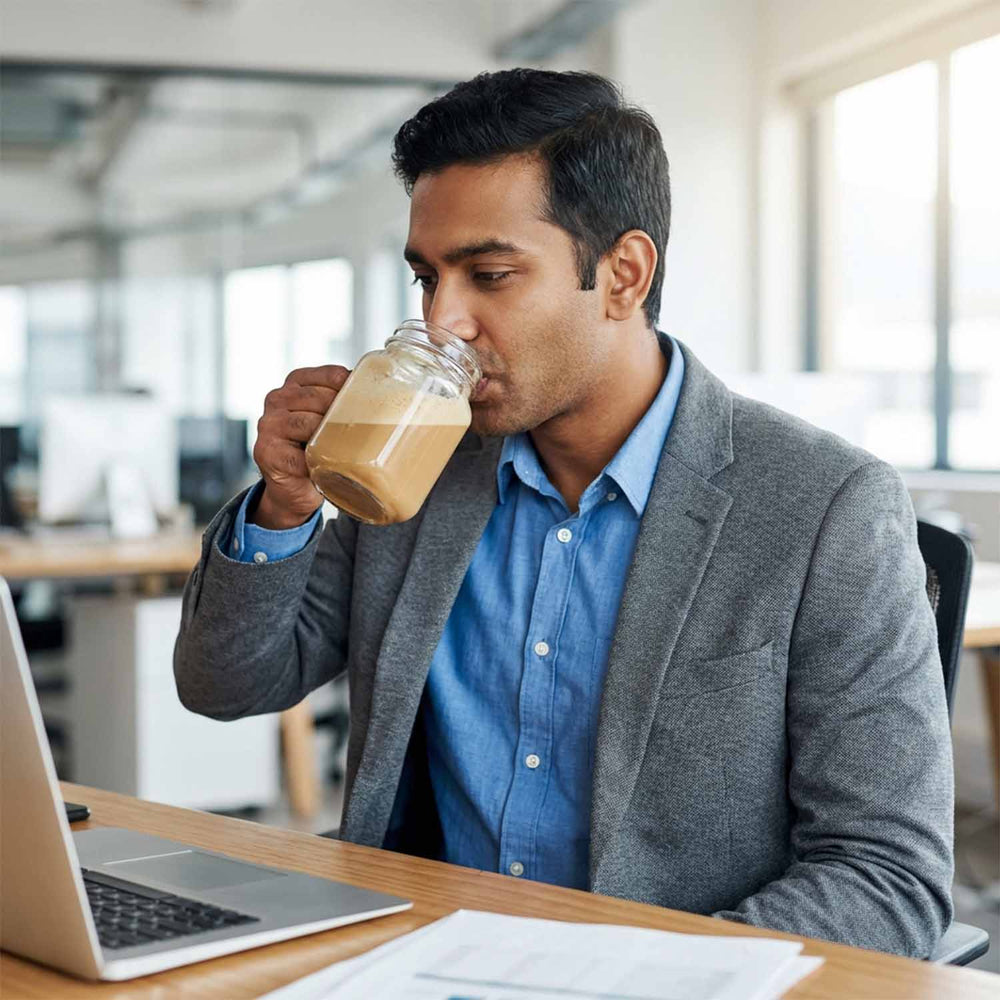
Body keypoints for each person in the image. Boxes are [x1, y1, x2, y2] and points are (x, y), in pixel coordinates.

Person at [174, 69, 953, 957]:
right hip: (417, 958)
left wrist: (630, 979)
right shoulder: (420, 462)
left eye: (490, 275)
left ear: (623, 274)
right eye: (427, 278)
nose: (443, 322)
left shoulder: (826, 505)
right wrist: (286, 501)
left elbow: (889, 877)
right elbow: (225, 683)